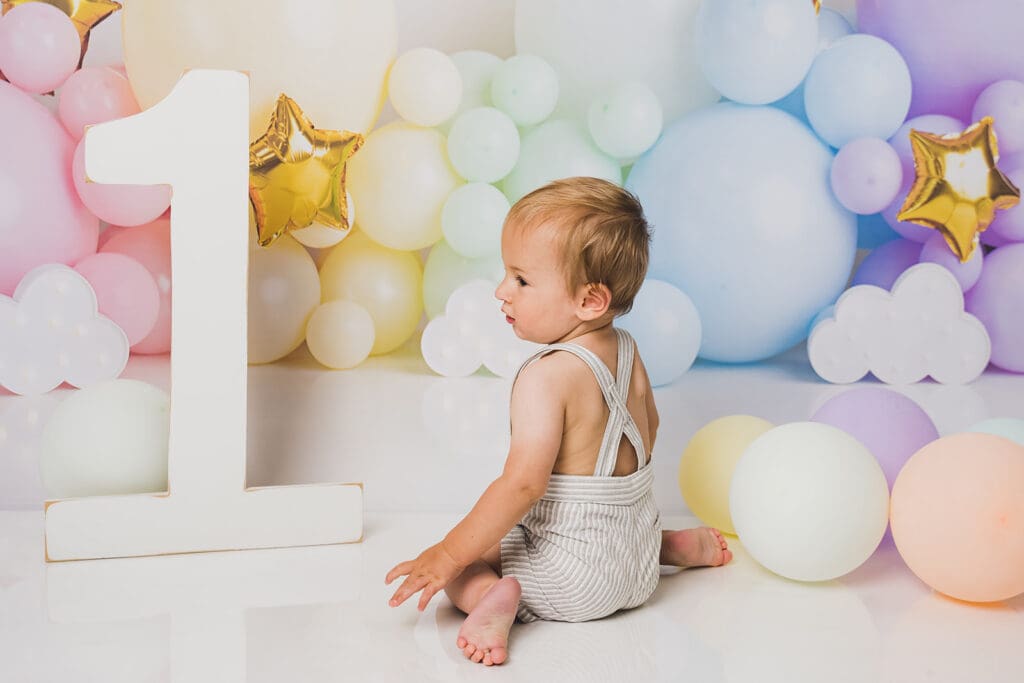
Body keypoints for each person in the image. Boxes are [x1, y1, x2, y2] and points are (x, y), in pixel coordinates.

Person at [386, 177, 732, 667]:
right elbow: (649, 430)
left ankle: (492, 600)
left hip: (571, 583)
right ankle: (668, 547)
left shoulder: (546, 376)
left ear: (590, 301)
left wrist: (446, 555)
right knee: (605, 522)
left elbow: (523, 485)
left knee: (471, 559)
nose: (502, 290)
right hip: (633, 568)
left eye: (522, 280)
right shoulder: (628, 351)